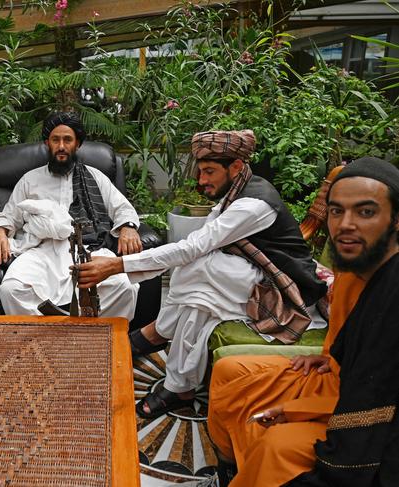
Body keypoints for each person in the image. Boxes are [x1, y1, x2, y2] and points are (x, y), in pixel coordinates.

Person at [77, 130, 326, 418]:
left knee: (200, 273)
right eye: (201, 171)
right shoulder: (236, 191)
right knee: (200, 290)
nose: (202, 180)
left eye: (209, 171)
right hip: (254, 274)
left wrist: (116, 266)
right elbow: (199, 243)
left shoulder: (253, 204)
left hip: (284, 289)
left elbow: (194, 246)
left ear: (235, 167)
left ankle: (158, 341)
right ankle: (175, 380)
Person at [207, 156, 399, 487]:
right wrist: (328, 355)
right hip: (335, 375)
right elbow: (346, 338)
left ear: (395, 219)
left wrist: (296, 411)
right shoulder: (357, 261)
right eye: (337, 211)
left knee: (279, 446)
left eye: (365, 212)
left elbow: (373, 403)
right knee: (229, 372)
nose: (346, 224)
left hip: (361, 412)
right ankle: (229, 469)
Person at [0, 111, 141, 318]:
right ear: (47, 143)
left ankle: (98, 339)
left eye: (68, 140)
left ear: (78, 144)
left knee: (124, 289)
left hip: (89, 248)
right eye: (56, 140)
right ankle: (47, 338)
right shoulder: (30, 179)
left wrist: (128, 228)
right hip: (41, 250)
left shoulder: (95, 176)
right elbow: (9, 215)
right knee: (11, 290)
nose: (62, 146)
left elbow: (123, 208)